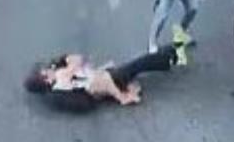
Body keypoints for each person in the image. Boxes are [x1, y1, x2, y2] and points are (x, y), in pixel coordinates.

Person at [24, 47, 180, 111]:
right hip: (99, 84)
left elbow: (75, 58)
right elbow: (83, 100)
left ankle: (168, 57)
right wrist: (70, 71)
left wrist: (70, 68)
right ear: (45, 80)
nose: (49, 69)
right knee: (136, 66)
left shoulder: (58, 70)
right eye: (45, 72)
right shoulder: (59, 90)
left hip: (100, 76)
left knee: (133, 69)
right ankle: (171, 55)